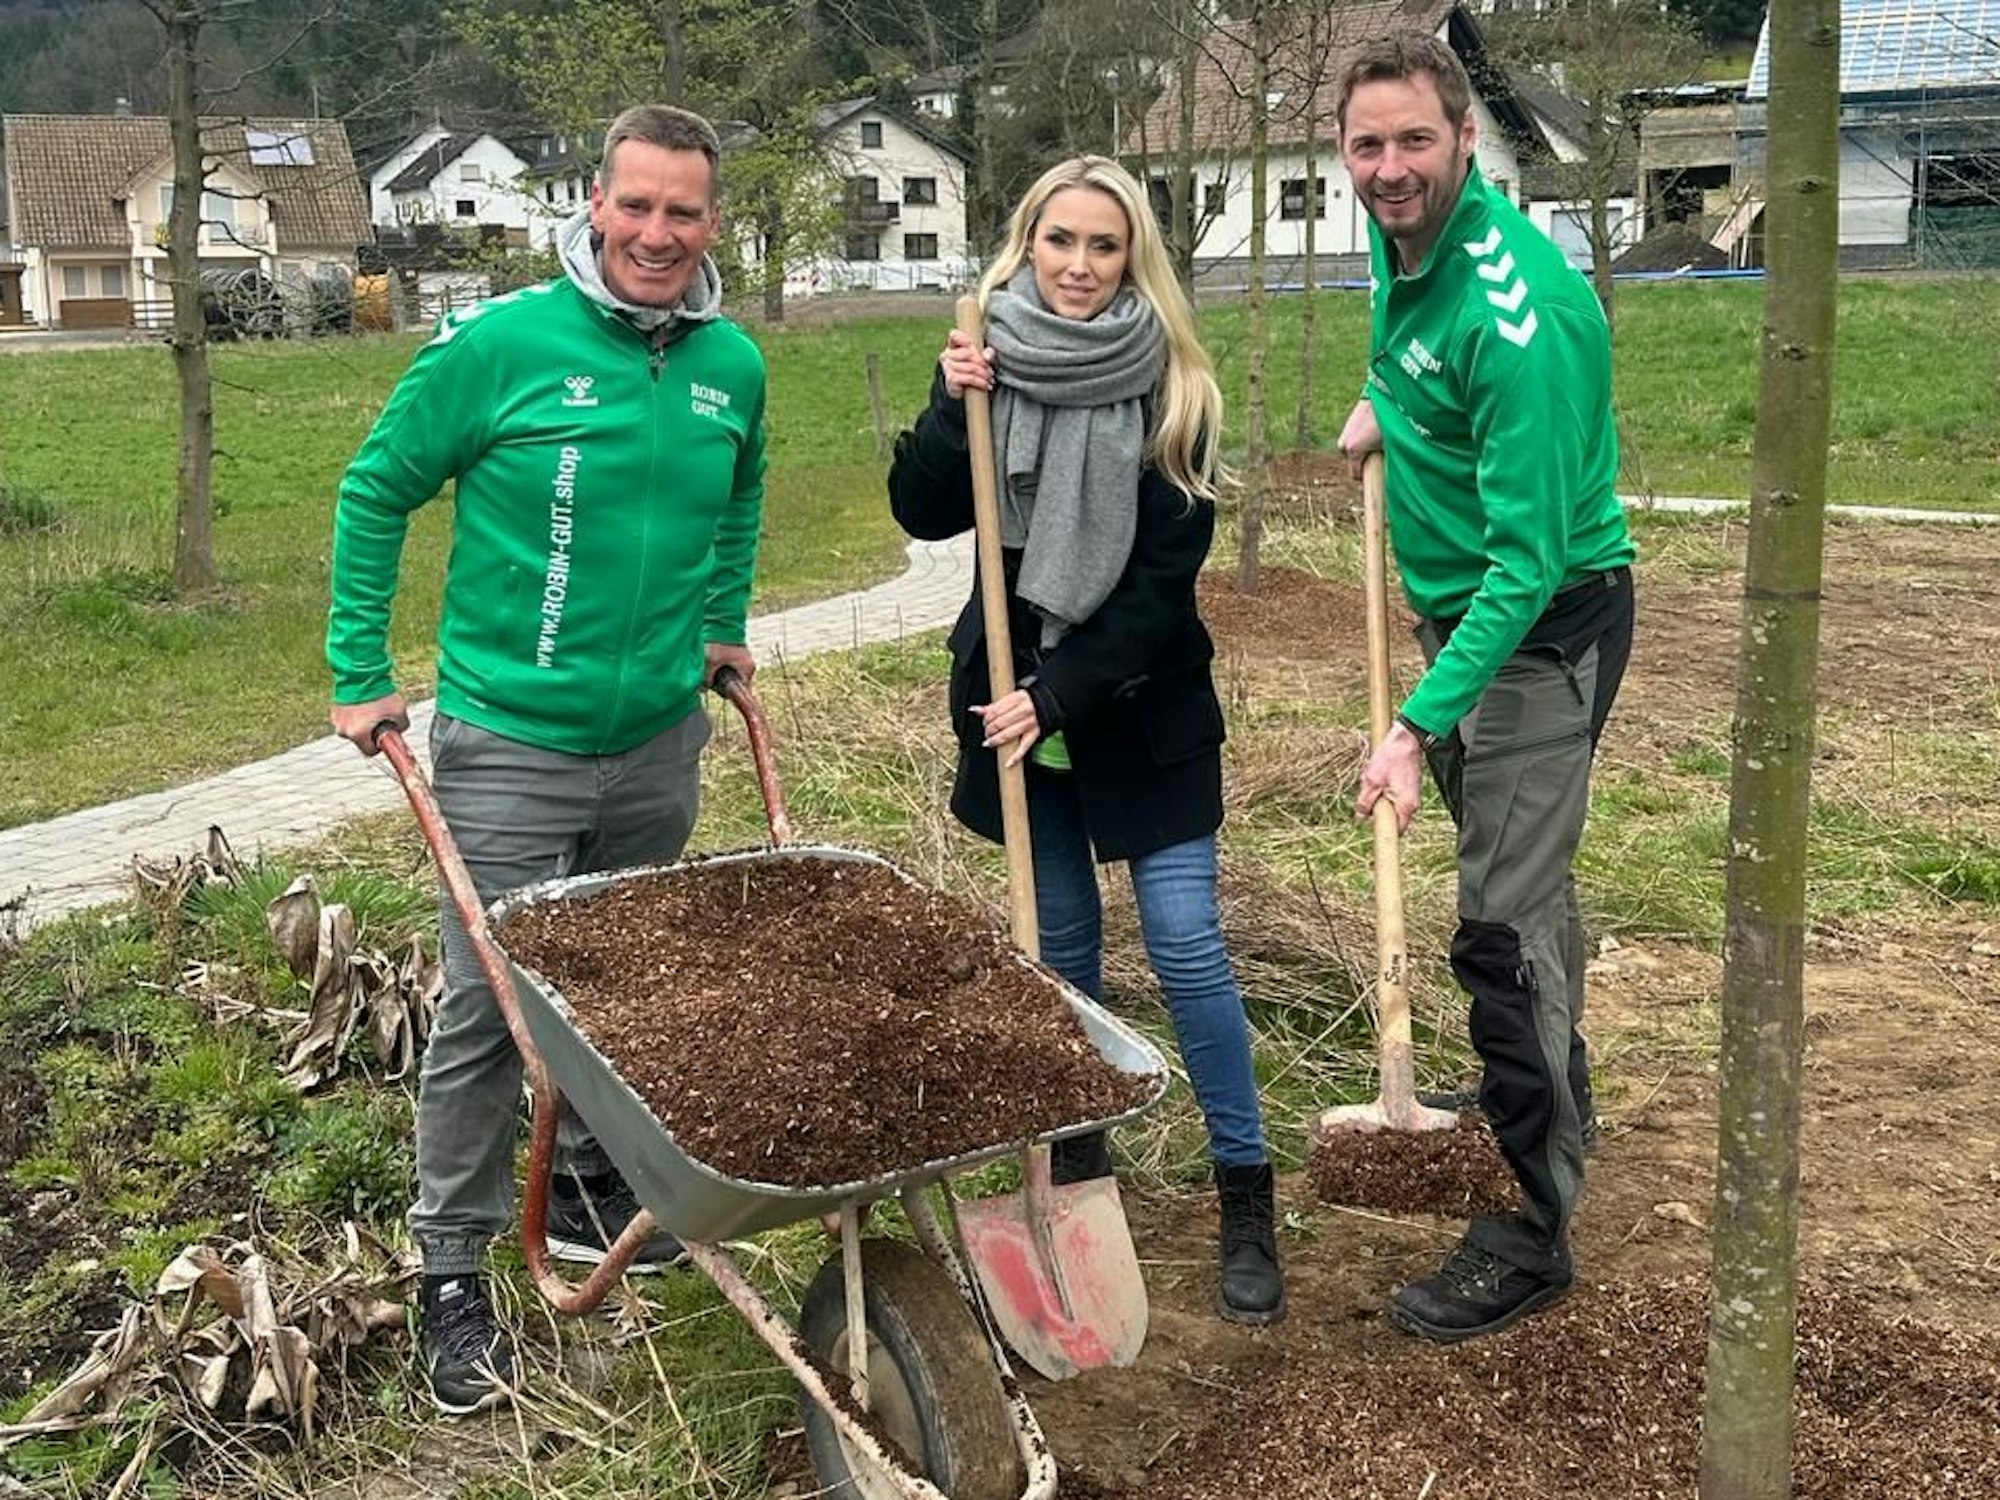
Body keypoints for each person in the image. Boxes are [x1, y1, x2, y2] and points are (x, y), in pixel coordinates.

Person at [325, 104, 766, 1413]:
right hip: (508, 744)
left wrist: (723, 622)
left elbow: (741, 492)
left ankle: (580, 1188)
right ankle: (450, 1270)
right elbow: (375, 487)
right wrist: (358, 671)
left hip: (657, 743)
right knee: (487, 1010)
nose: (656, 233)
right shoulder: (503, 344)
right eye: (636, 205)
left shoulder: (732, 364)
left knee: (615, 992)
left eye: (682, 211)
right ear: (595, 205)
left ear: (713, 221)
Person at [887, 156, 1285, 1325]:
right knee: (1058, 953)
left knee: (1186, 945)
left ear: (1131, 261)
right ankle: (1075, 1163)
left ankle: (1243, 1186)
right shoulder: (986, 361)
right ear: (1026, 246)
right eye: (1057, 240)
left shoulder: (1175, 392)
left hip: (1138, 714)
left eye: (1101, 246)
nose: (1076, 264)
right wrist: (946, 402)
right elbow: (922, 510)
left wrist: (1053, 695)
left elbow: (1159, 587)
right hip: (1013, 717)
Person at [1328, 31, 1636, 1344]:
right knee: (1526, 889)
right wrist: (1385, 405)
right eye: (1367, 145)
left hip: (1536, 636)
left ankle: (1527, 1224)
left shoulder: (1523, 320)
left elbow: (1529, 563)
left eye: (1414, 140)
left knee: (1498, 932)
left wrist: (1413, 725)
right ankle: (1551, 1096)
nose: (1389, 167)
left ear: (1465, 139)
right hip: (1466, 625)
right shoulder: (1407, 247)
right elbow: (1418, 352)